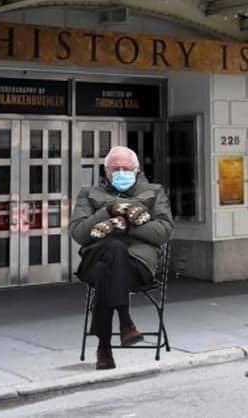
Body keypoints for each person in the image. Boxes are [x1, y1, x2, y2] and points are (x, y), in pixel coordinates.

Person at [70, 146, 174, 370]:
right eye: (116, 168)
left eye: (126, 168)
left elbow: (163, 232)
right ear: (106, 172)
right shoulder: (88, 194)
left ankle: (104, 348)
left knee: (104, 269)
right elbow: (79, 233)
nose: (121, 172)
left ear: (136, 170)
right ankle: (125, 323)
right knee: (112, 252)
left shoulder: (154, 192)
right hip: (95, 256)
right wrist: (107, 211)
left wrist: (122, 226)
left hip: (138, 265)